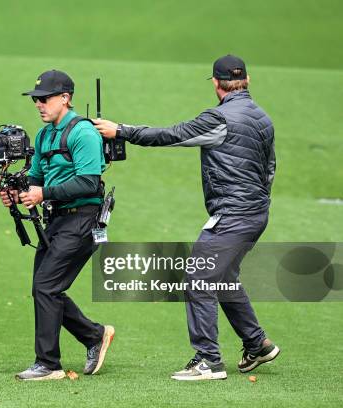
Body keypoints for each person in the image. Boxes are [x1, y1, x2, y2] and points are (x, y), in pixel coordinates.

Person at [93, 55, 279, 381]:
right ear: (246, 81)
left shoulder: (219, 118)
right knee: (220, 277)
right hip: (256, 212)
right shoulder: (263, 117)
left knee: (198, 277)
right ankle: (257, 344)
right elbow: (270, 168)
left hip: (235, 215)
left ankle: (209, 360)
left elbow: (173, 134)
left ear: (216, 84)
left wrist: (121, 131)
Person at [0, 69, 114, 381]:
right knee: (45, 288)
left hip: (83, 218)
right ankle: (94, 335)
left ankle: (48, 364)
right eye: (36, 99)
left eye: (45, 99)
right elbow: (35, 179)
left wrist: (43, 193)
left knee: (46, 287)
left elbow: (89, 183)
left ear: (65, 98)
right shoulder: (44, 135)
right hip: (58, 220)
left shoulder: (83, 133)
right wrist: (17, 194)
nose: (39, 104)